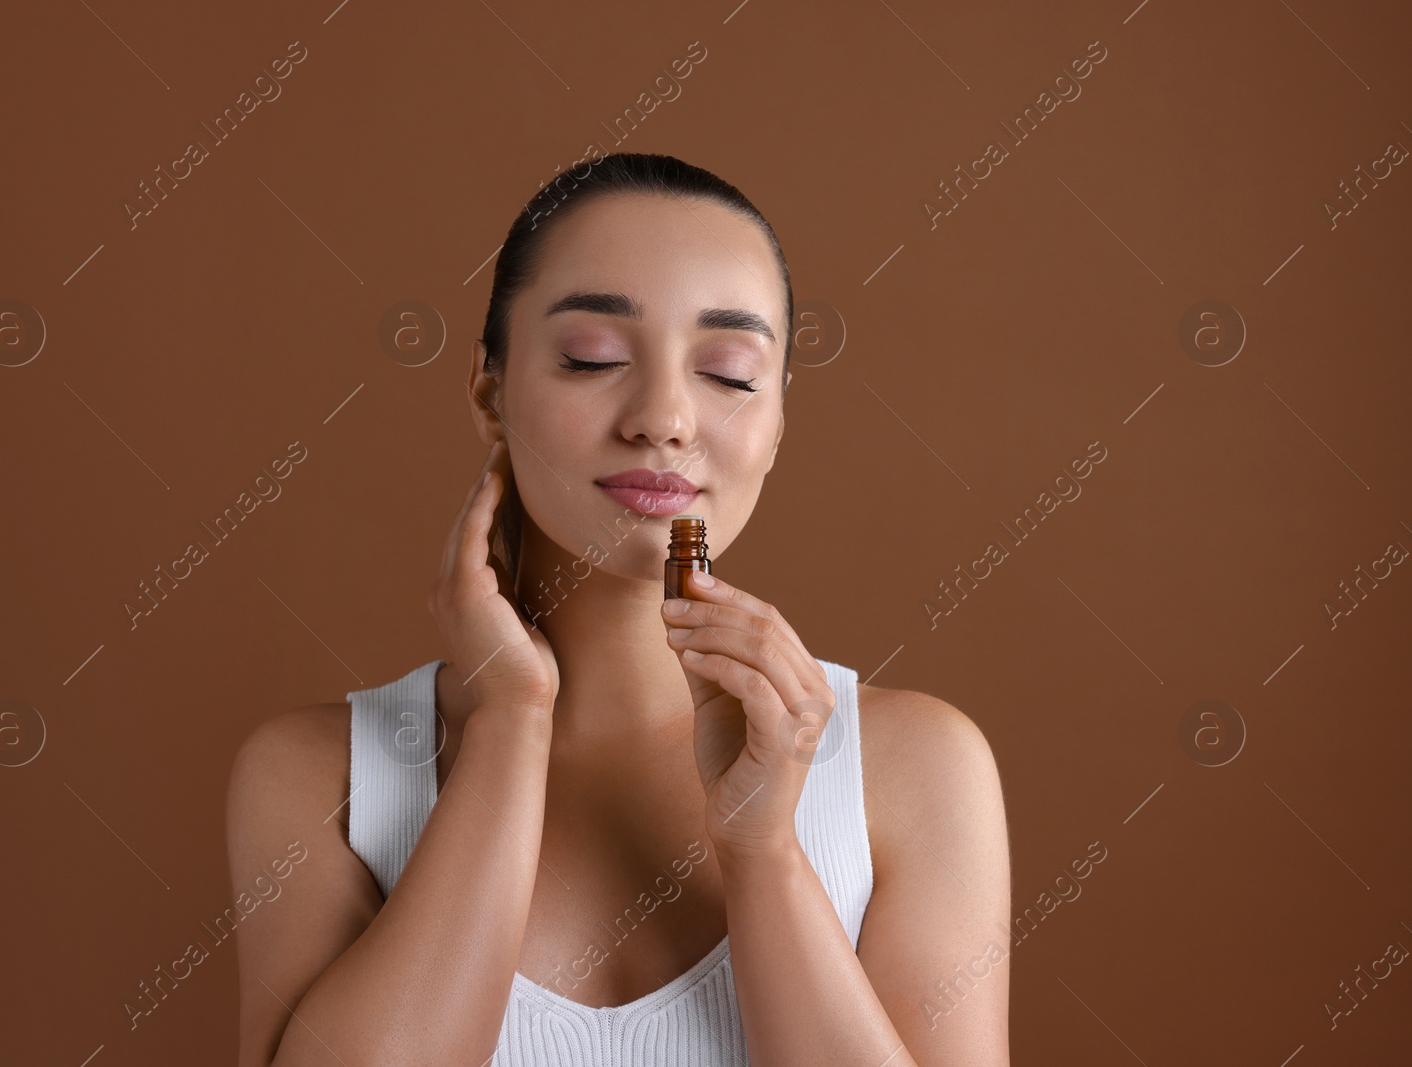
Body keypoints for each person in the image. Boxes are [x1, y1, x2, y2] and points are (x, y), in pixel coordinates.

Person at [225, 152, 1011, 1066]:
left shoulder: (918, 770)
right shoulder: (320, 777)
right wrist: (511, 722)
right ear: (489, 391)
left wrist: (763, 854)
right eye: (592, 356)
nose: (664, 417)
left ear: (778, 424)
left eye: (729, 373)